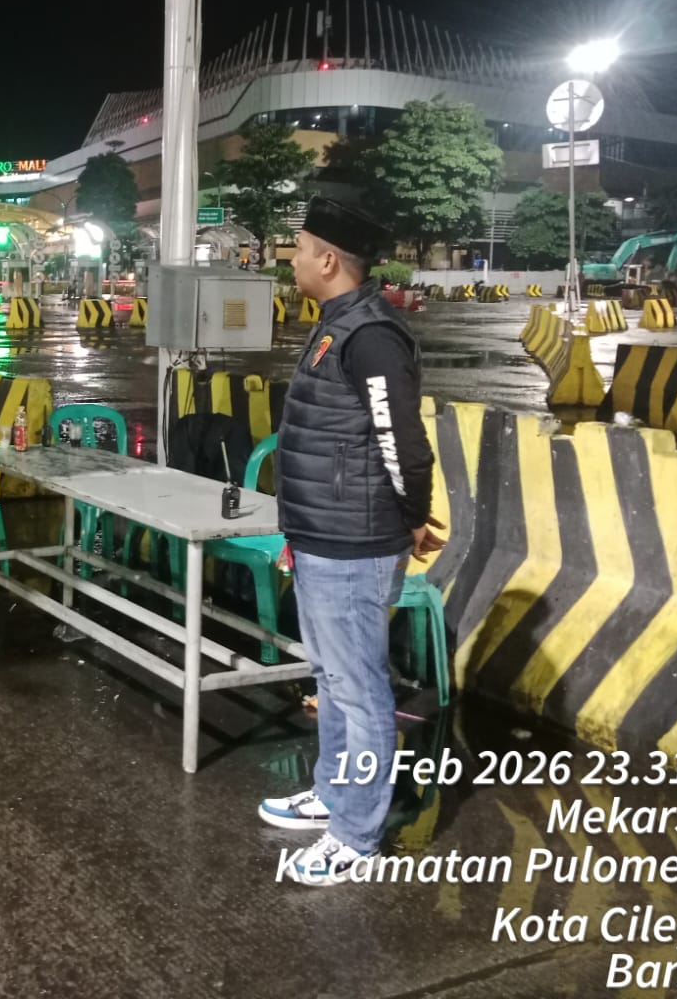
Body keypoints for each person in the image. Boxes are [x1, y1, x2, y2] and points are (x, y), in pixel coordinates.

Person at [259, 196, 445, 885]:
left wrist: (414, 514)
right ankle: (333, 792)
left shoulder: (371, 336)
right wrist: (298, 529)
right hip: (321, 535)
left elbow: (402, 442)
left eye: (301, 250)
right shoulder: (336, 323)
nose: (293, 260)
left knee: (360, 690)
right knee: (333, 680)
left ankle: (355, 832)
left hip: (354, 542)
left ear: (330, 260)